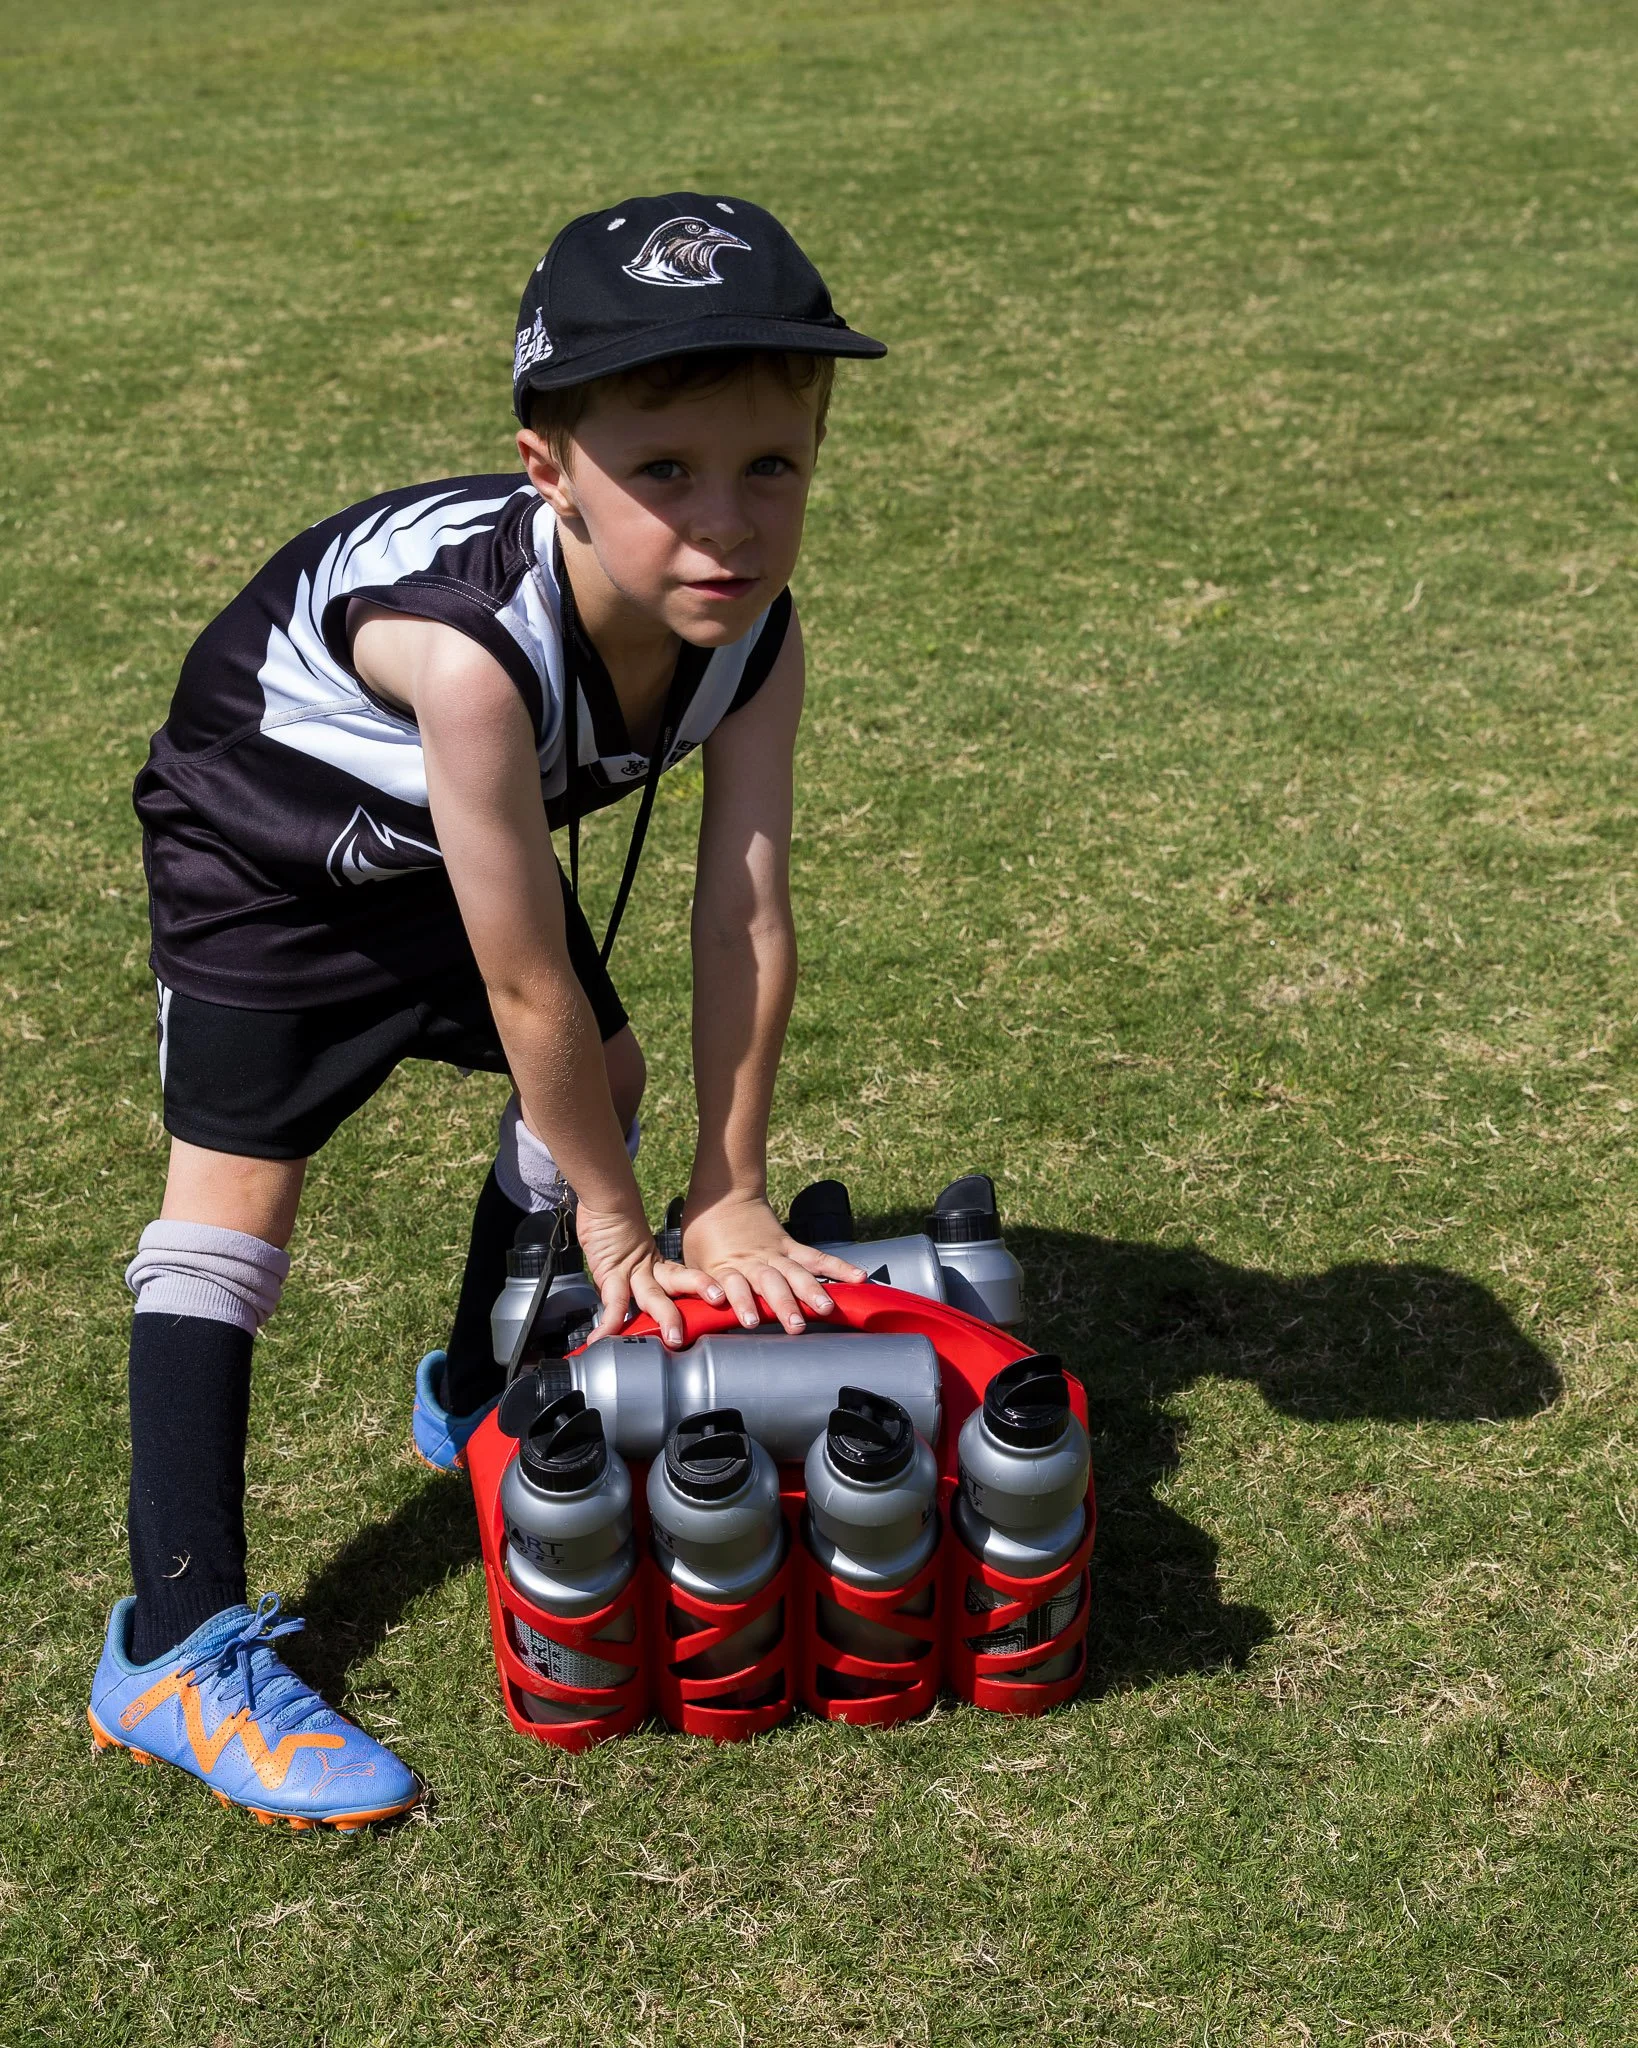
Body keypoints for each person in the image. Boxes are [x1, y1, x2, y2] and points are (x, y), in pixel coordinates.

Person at [88, 192, 885, 1829]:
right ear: (550, 469)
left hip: (471, 830)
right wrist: (618, 1220)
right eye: (660, 473)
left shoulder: (755, 636)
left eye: (770, 467)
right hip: (275, 839)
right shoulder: (466, 654)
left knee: (607, 1065)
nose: (721, 526)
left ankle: (479, 1388)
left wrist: (725, 1190)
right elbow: (519, 972)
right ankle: (169, 1645)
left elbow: (739, 905)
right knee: (238, 1195)